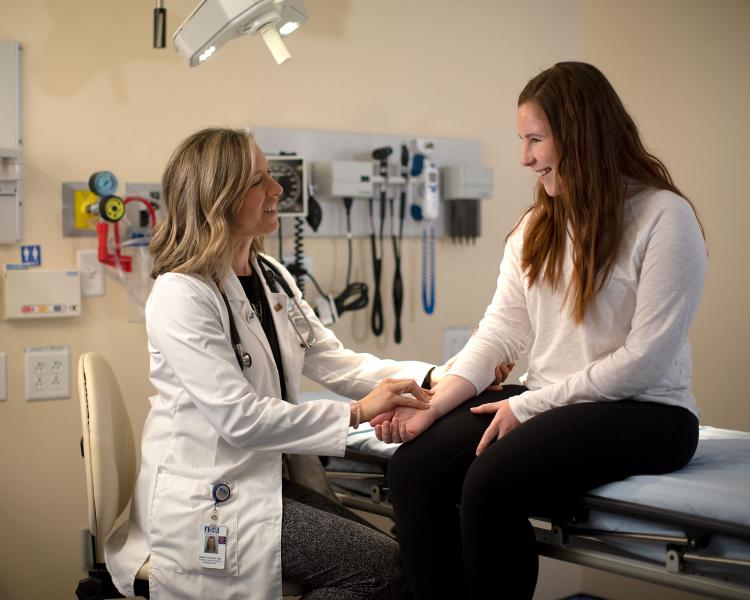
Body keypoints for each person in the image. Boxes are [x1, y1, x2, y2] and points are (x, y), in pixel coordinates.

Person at [372, 62, 707, 599]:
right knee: (413, 469)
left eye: (534, 140)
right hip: (552, 400)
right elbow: (499, 333)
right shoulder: (536, 228)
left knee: (490, 480)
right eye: (522, 140)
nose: (524, 157)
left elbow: (644, 360)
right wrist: (434, 405)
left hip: (649, 412)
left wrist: (526, 407)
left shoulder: (664, 218)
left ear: (580, 136)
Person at [105, 127, 437, 600]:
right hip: (211, 497)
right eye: (260, 180)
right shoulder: (181, 294)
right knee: (384, 573)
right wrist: (359, 413)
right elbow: (239, 419)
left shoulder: (271, 276)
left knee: (397, 561)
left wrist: (434, 377)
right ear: (218, 197)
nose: (277, 189)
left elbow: (334, 361)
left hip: (264, 485)